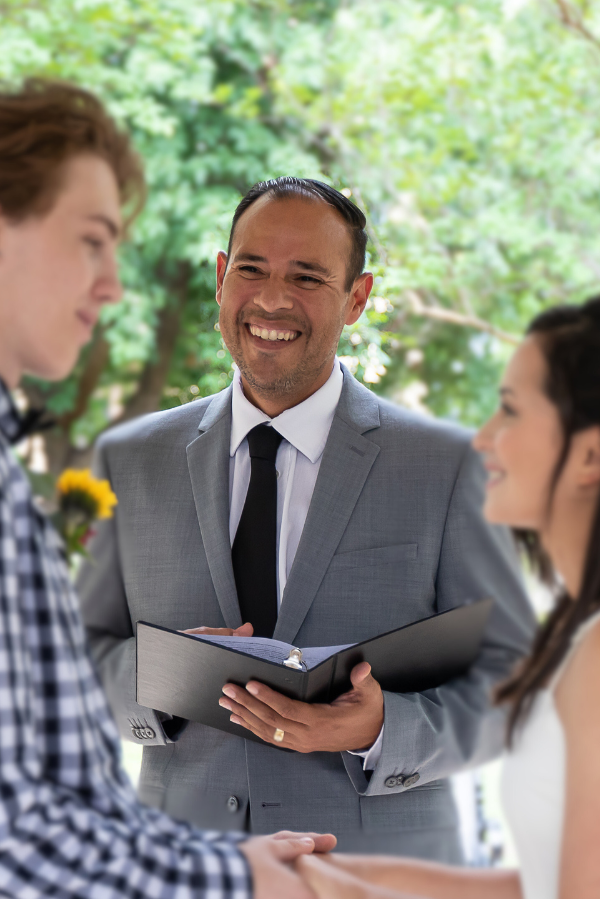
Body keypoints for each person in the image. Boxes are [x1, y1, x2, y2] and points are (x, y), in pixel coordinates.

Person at [78, 176, 535, 858]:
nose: (270, 299)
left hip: (378, 874)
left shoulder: (449, 465)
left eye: (306, 277)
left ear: (357, 299)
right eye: (252, 269)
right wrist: (162, 681)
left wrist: (384, 729)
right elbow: (73, 663)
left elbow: (515, 681)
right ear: (221, 278)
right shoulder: (128, 459)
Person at [0, 78, 336, 899]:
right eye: (91, 240)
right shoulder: (128, 457)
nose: (114, 284)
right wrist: (228, 874)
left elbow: (56, 779)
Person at [295, 297, 600, 899]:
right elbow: (547, 881)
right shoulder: (576, 637)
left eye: (509, 413)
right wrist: (340, 876)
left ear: (590, 453)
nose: (484, 439)